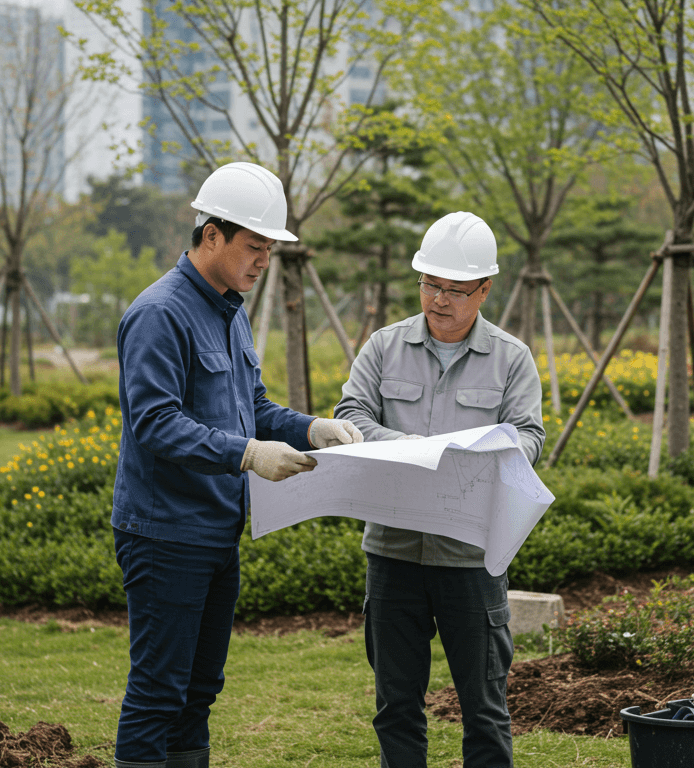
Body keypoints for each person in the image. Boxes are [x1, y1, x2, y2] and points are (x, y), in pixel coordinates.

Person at [110, 161, 363, 768]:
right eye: (254, 246)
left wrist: (308, 428)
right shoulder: (160, 314)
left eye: (270, 250)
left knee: (198, 692)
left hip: (216, 530)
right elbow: (155, 422)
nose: (262, 262)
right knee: (158, 691)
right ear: (211, 234)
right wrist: (247, 455)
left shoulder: (229, 310)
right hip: (165, 531)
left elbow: (249, 406)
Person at [334, 211, 545, 768]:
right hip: (393, 552)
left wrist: (482, 457)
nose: (439, 299)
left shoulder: (511, 358)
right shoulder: (384, 347)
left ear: (484, 289)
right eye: (430, 284)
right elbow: (351, 412)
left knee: (485, 707)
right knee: (396, 705)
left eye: (454, 289)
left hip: (472, 556)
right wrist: (410, 448)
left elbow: (529, 435)